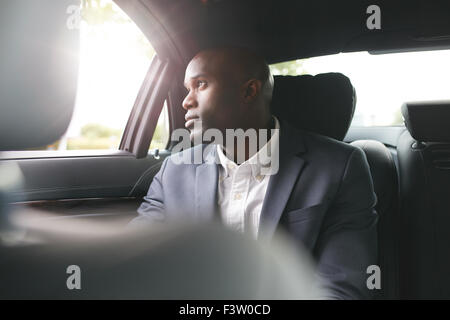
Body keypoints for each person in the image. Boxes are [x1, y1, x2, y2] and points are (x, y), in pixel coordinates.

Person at [130, 47, 378, 299]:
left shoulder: (339, 168)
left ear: (249, 91)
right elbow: (136, 263)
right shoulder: (175, 170)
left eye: (200, 84)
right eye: (187, 88)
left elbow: (341, 288)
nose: (186, 100)